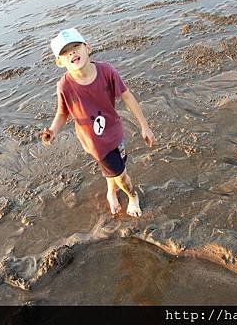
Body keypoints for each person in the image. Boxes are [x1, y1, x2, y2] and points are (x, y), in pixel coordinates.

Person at [39, 28, 155, 217]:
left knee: (119, 164)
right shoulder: (65, 86)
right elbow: (62, 113)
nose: (72, 53)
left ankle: (111, 192)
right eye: (66, 52)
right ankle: (133, 197)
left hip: (115, 131)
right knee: (120, 173)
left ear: (88, 48)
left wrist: (145, 126)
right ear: (60, 62)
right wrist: (52, 130)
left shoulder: (106, 71)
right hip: (95, 142)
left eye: (76, 47)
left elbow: (127, 96)